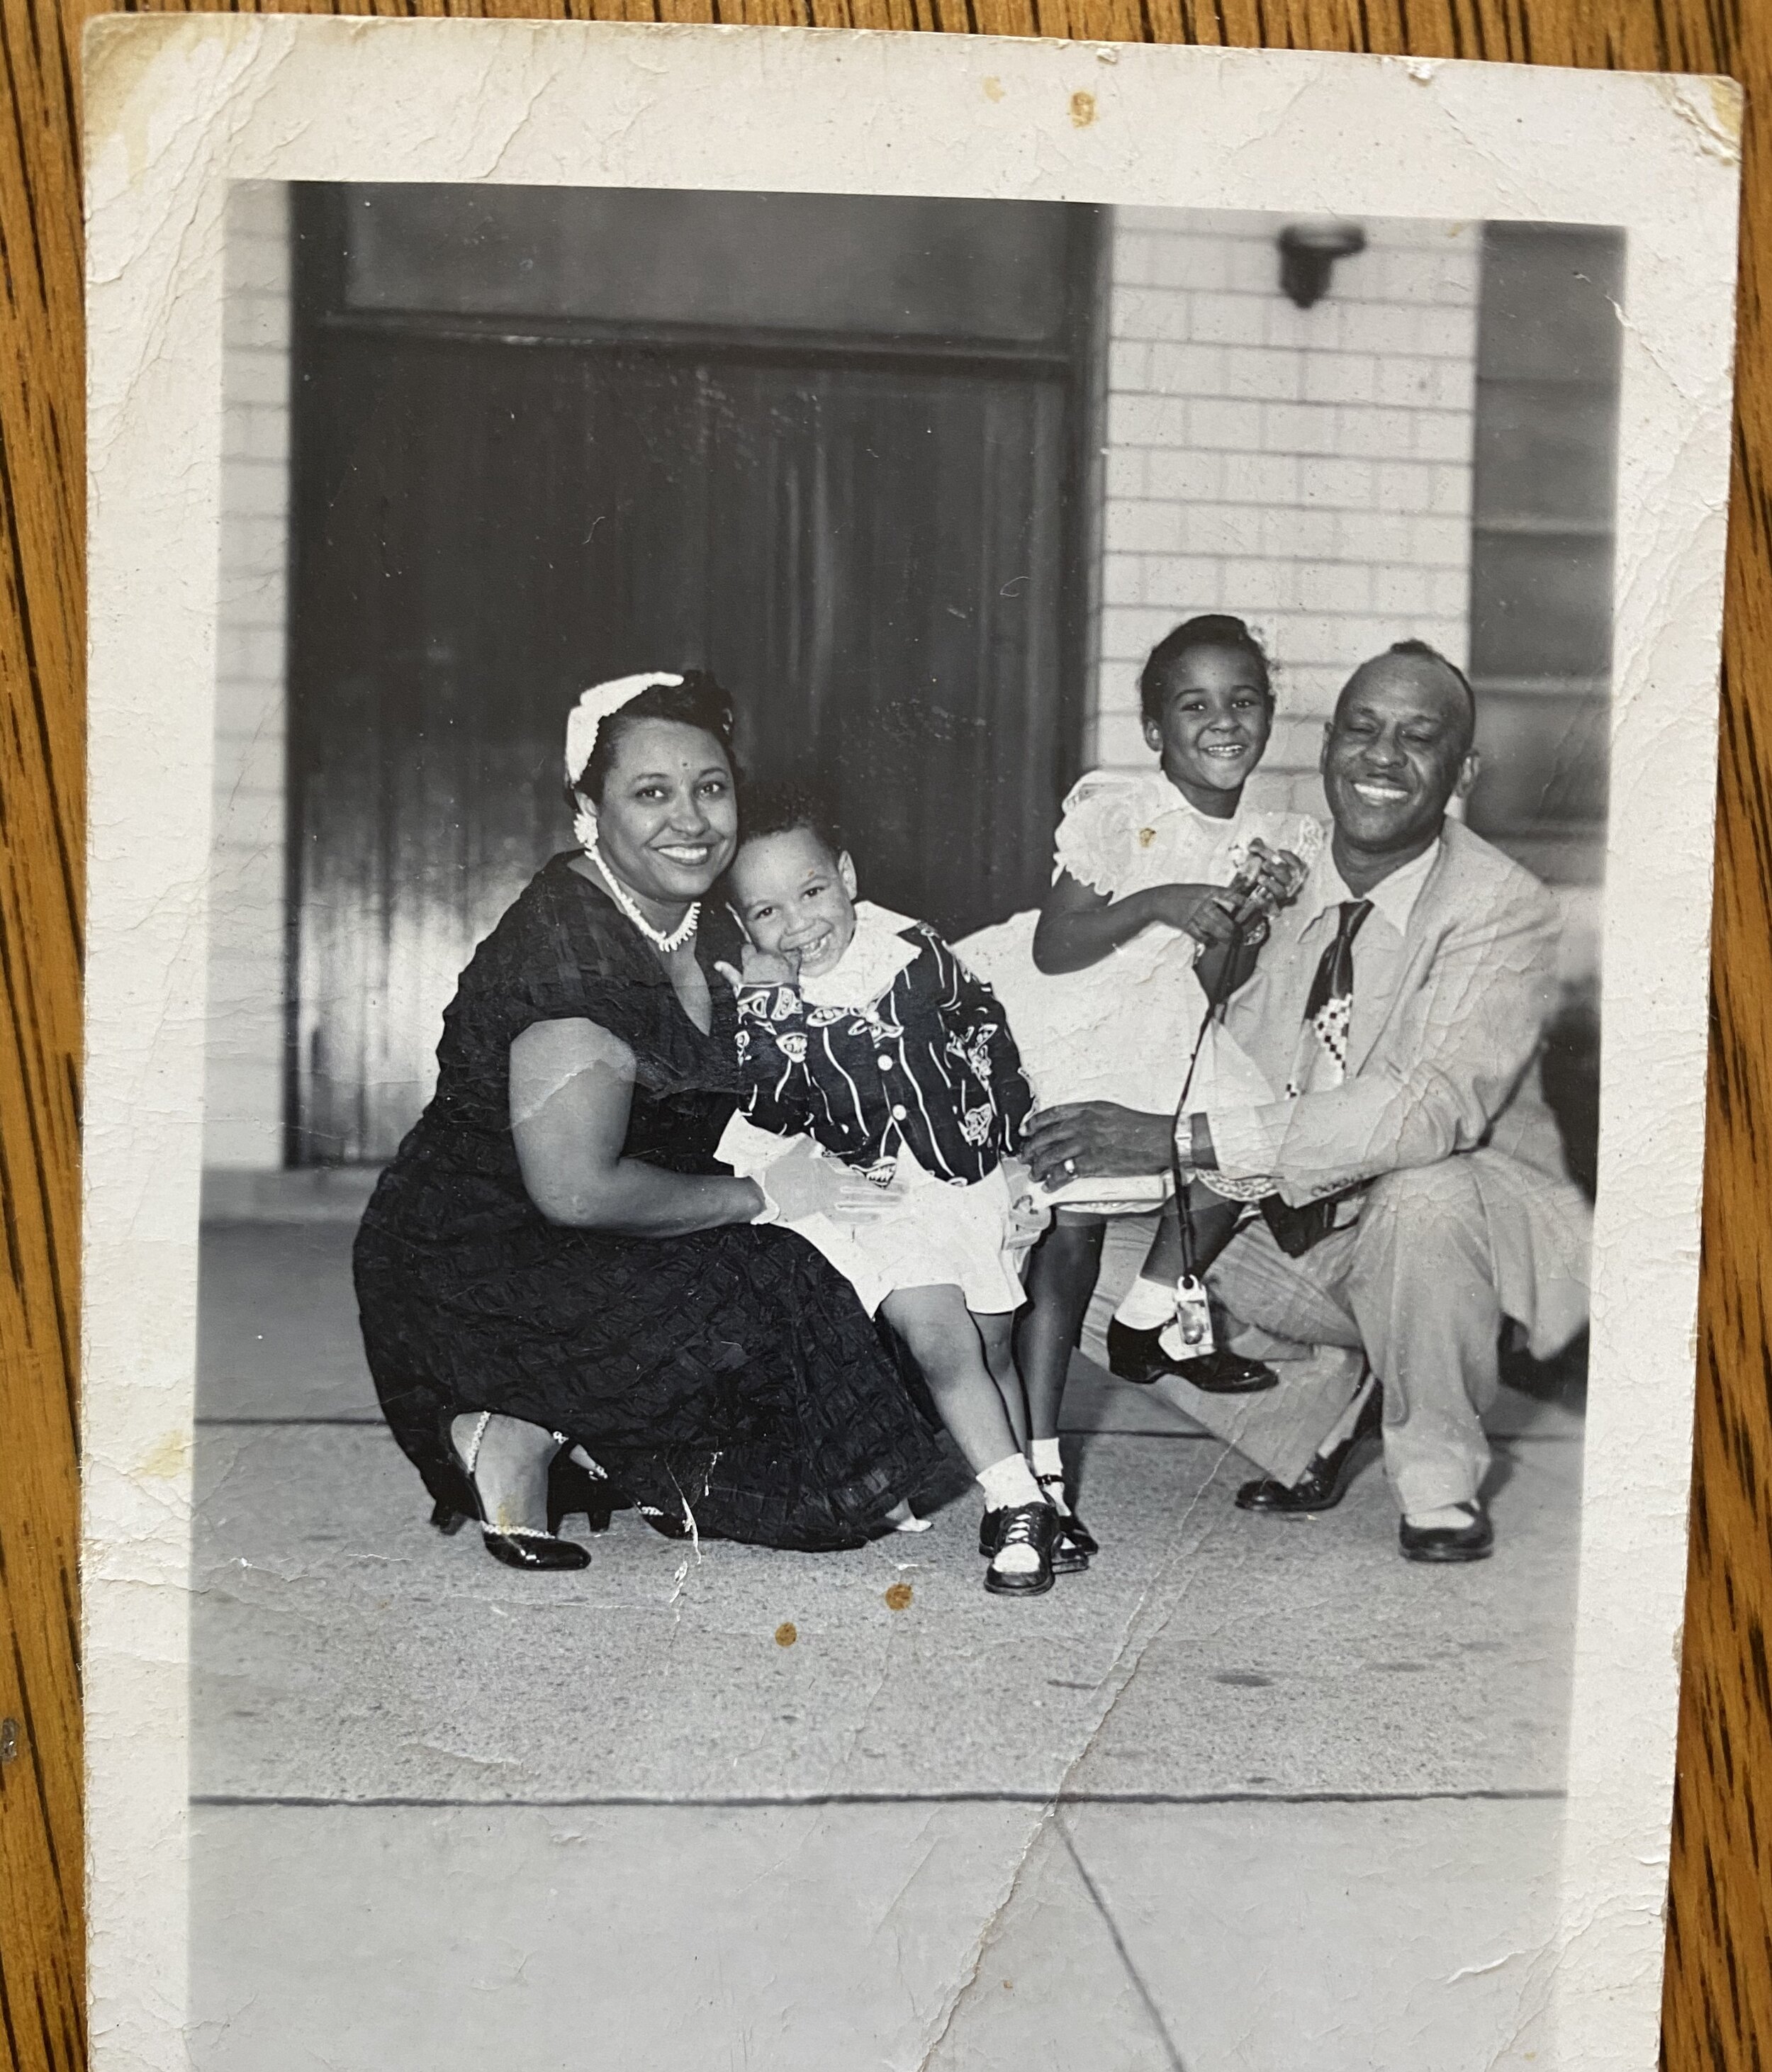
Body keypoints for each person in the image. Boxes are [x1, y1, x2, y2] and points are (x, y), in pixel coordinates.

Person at [352, 670, 945, 1571]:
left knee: (899, 1294)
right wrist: (763, 1195)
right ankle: (524, 1421)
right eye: (651, 793)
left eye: (710, 788)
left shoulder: (702, 917)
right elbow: (578, 1193)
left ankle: (559, 1432)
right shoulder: (570, 958)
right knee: (795, 1296)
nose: (692, 820)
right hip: (488, 1257)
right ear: (589, 807)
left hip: (614, 1230)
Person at [1024, 641, 1592, 1565]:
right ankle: (1316, 1414)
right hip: (1286, 1225)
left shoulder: (1503, 908)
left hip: (1433, 1244)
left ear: (1465, 770)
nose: (1382, 757)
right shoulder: (1279, 872)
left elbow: (1427, 1108)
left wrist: (1177, 1139)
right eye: (1362, 731)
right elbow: (1203, 1027)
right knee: (1068, 1235)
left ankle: (1437, 1479)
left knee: (1426, 1191)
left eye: (1420, 738)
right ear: (1327, 746)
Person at [958, 614, 1321, 1539]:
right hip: (1072, 1011)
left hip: (1164, 1022)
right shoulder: (1119, 812)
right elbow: (1057, 942)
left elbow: (1213, 986)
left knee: (1243, 1147)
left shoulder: (1267, 838)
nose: (1224, 721)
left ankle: (1149, 1312)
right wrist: (1163, 899)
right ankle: (1042, 1474)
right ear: (1156, 731)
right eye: (1194, 705)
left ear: (1269, 716)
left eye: (1244, 701)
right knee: (1069, 1238)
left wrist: (1245, 917)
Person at [717, 805, 1064, 1598]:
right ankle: (1018, 1505)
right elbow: (768, 1107)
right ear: (744, 923)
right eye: (768, 912)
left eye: (811, 893)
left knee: (989, 1346)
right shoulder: (765, 998)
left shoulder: (916, 954)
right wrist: (769, 1010)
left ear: (845, 879)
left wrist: (1014, 1163)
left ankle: (1017, 1488)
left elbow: (988, 1047)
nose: (799, 925)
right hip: (869, 1196)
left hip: (965, 1177)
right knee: (939, 1340)